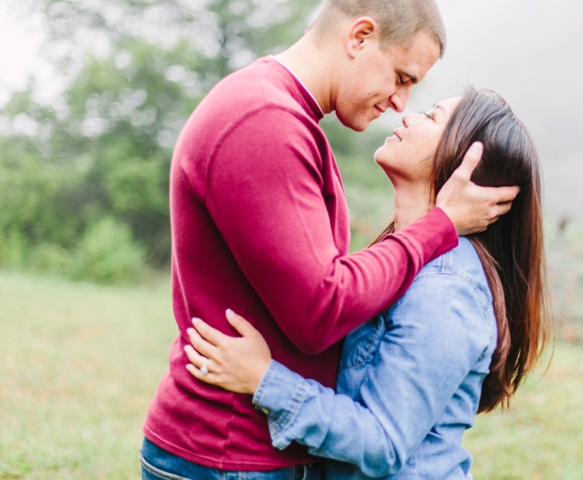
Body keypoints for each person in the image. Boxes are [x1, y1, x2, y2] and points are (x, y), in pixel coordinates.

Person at [141, 0, 521, 478]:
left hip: (251, 448)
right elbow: (323, 308)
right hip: (230, 450)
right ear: (360, 37)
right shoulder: (265, 121)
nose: (401, 105)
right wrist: (440, 223)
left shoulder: (288, 120)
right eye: (402, 78)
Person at [184, 88, 549, 479]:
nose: (407, 115)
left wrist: (265, 379)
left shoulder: (445, 289)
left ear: (465, 161)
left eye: (430, 116)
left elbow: (384, 443)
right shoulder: (404, 261)